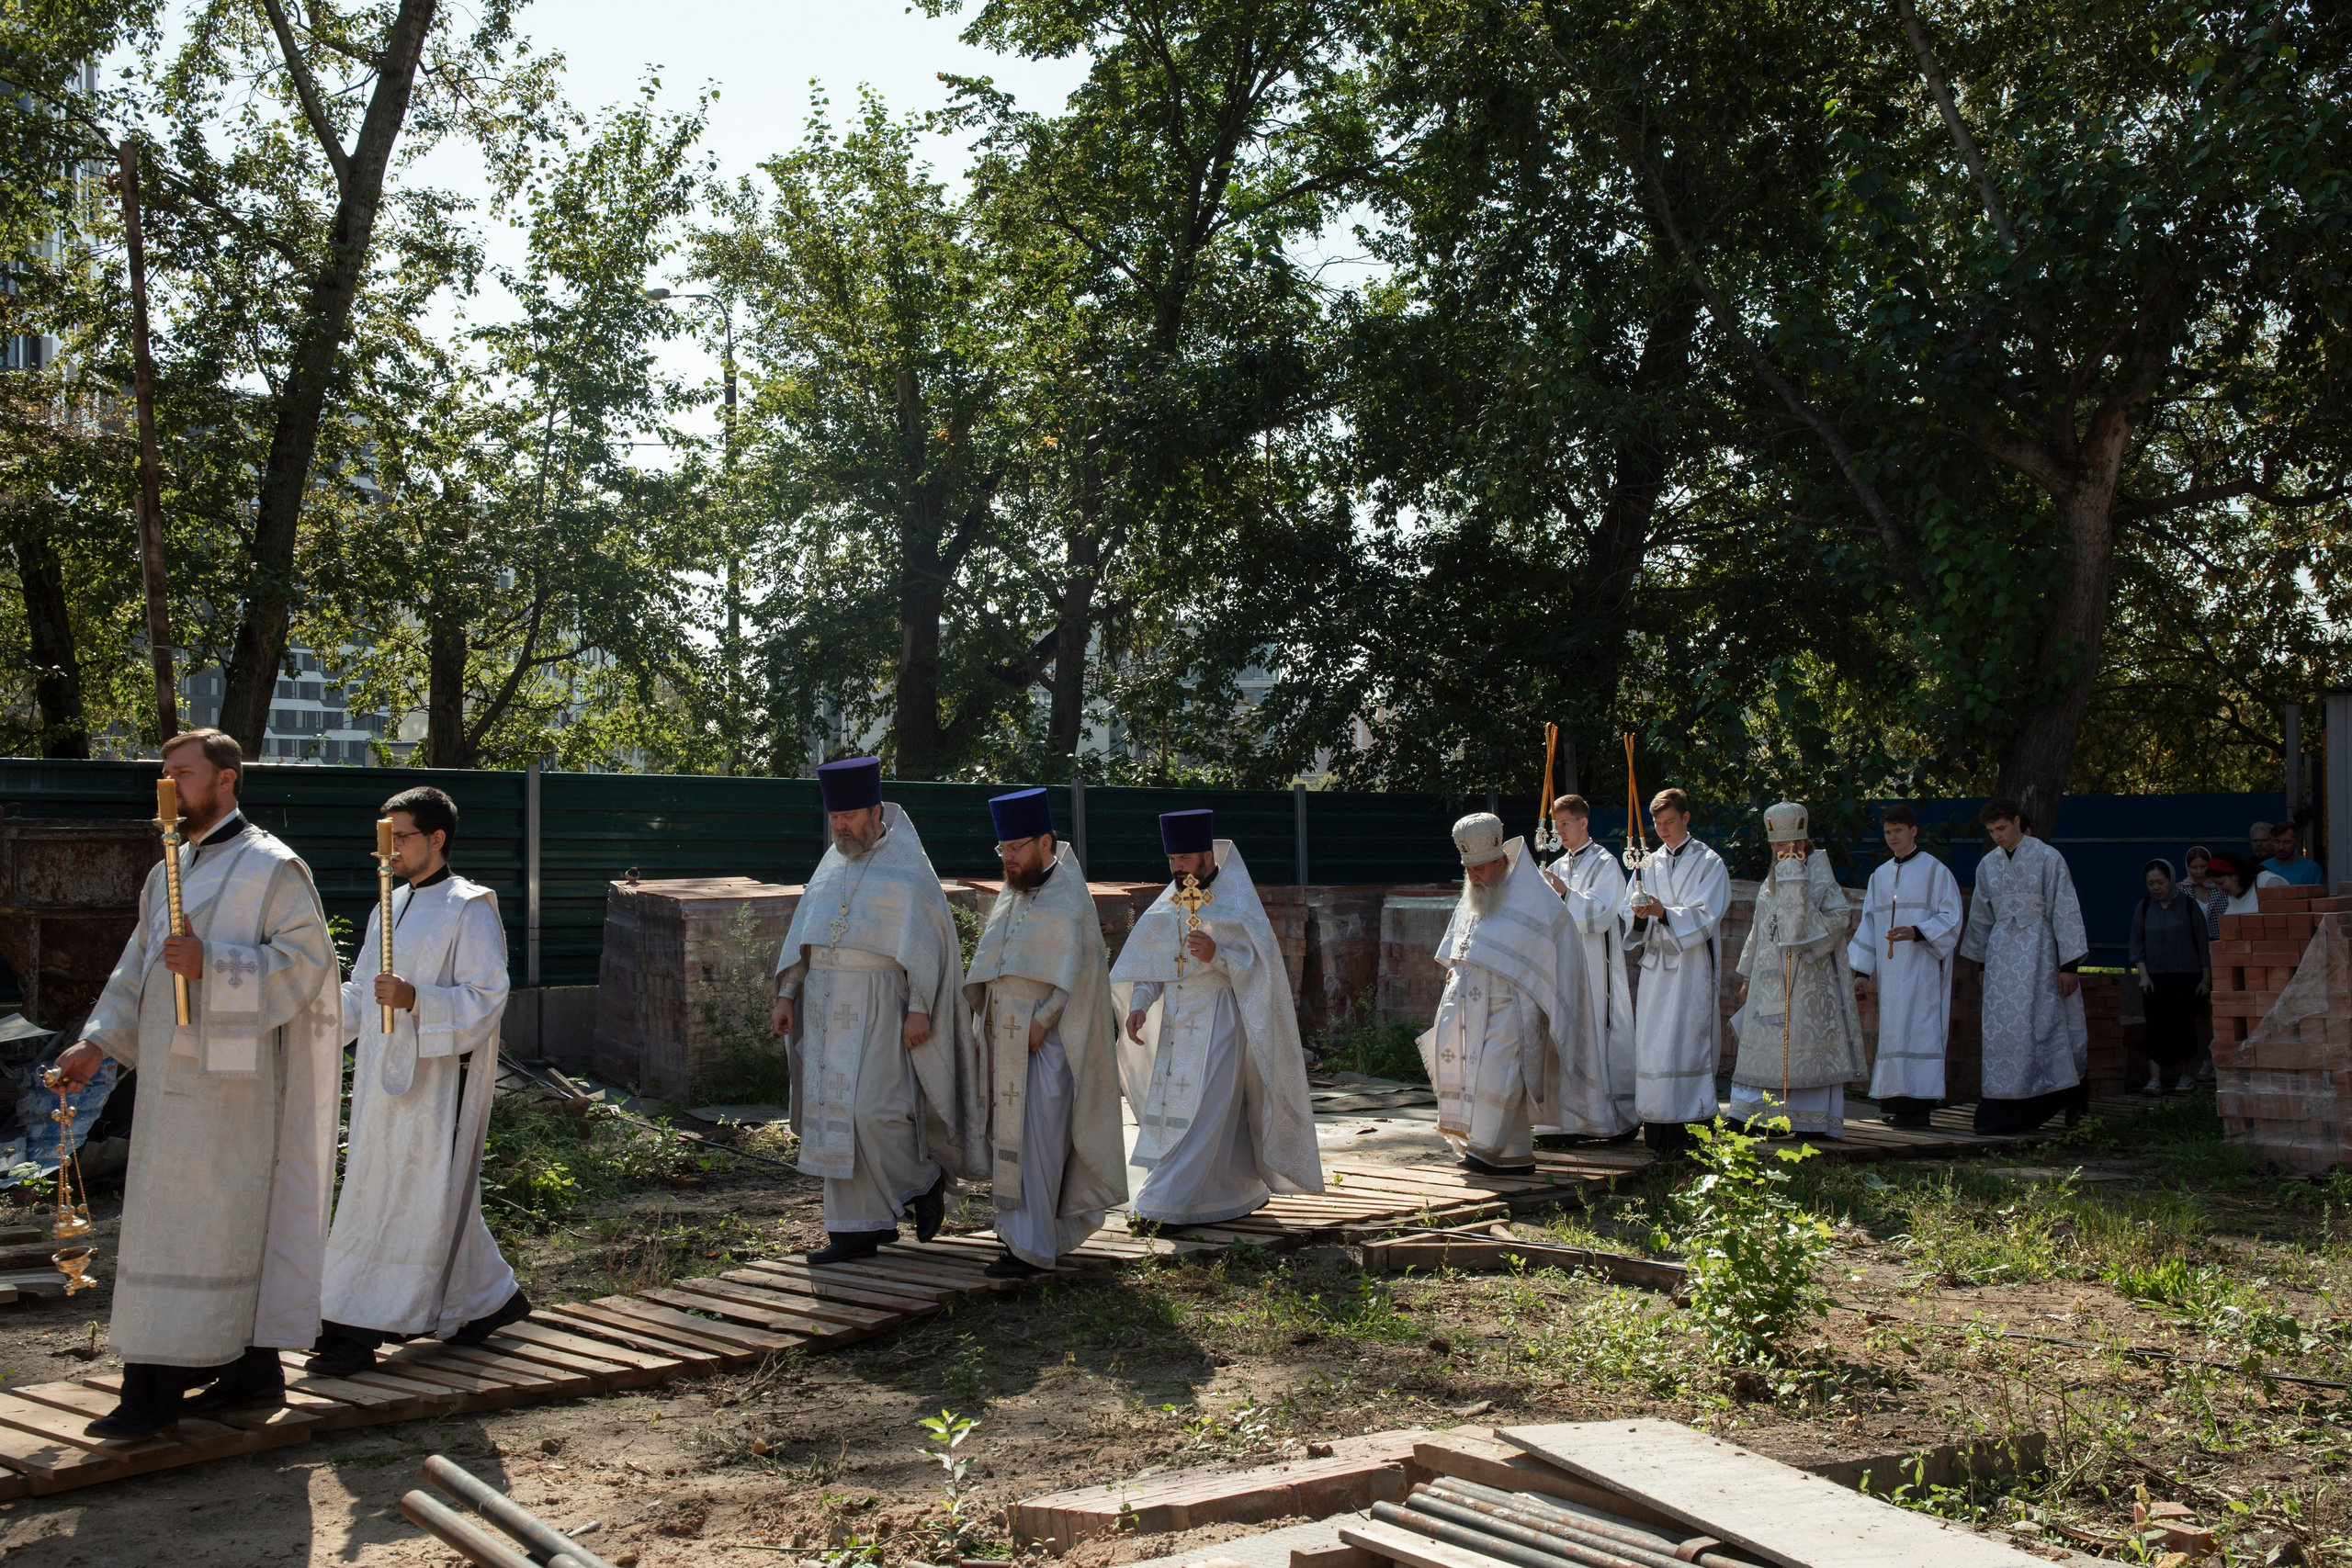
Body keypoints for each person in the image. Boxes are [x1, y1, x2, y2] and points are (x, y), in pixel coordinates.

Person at [54, 730, 342, 1438]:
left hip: (233, 1093)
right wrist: (96, 1044)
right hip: (167, 1089)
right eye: (164, 773)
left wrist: (216, 960)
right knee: (167, 1228)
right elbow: (136, 968)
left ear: (227, 780)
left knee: (208, 1231)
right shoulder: (167, 870)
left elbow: (310, 966)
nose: (168, 784)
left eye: (182, 772)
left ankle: (151, 1393)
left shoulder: (272, 866)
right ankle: (251, 1370)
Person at [308, 787, 529, 1378]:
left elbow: (488, 996)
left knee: (411, 1195)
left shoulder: (468, 905)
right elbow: (360, 991)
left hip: (436, 1085)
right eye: (386, 836)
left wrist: (416, 999)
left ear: (437, 838)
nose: (391, 848)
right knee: (401, 1192)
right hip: (383, 1080)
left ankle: (359, 1327)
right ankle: (491, 1302)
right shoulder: (389, 903)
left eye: (401, 836)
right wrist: (314, 1020)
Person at [772, 758, 982, 1265]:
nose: (839, 825)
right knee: (834, 1117)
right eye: (833, 816)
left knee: (876, 1112)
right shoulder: (831, 864)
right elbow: (806, 938)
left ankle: (924, 1182)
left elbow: (928, 948)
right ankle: (854, 1228)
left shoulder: (908, 865)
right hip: (824, 1007)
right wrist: (787, 993)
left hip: (885, 1006)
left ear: (873, 810)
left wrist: (921, 1008)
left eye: (848, 815)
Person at [1113, 810, 1323, 1226]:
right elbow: (1154, 963)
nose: (1177, 867)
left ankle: (1164, 1201)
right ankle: (1234, 1186)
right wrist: (1139, 1004)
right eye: (1172, 859)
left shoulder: (1236, 900)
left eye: (1185, 858)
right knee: (1179, 1110)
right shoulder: (1170, 902)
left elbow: (1261, 969)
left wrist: (1218, 954)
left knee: (1205, 1108)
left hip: (1220, 1019)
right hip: (1176, 1023)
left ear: (1207, 855)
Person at [961, 788, 1126, 1278]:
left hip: (1050, 1043)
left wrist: (1043, 1021)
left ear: (1045, 843)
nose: (1008, 858)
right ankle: (1019, 1237)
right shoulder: (1014, 894)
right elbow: (997, 962)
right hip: (1005, 1035)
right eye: (1003, 850)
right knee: (1009, 1139)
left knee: (1038, 1141)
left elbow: (1082, 975)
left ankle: (1031, 1248)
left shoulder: (1069, 899)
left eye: (1016, 848)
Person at [1418, 813, 1599, 1173]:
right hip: (1471, 1006)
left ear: (1502, 861)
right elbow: (1460, 946)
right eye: (1469, 870)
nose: (1474, 878)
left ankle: (1482, 1151)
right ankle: (1515, 1154)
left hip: (1515, 1005)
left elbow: (1561, 948)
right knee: (1478, 1074)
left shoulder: (1536, 898)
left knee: (1496, 1073)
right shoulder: (1477, 895)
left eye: (1481, 869)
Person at [1729, 803, 1866, 1137]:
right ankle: (1756, 1115)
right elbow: (1761, 927)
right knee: (1765, 1052)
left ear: (1801, 843)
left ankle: (1808, 1119)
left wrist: (1804, 930)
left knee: (1802, 1053)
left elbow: (1840, 917)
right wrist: (1748, 976)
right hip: (1769, 980)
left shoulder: (1818, 872)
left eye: (1784, 845)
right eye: (1774, 845)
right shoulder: (1773, 876)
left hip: (1806, 979)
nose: (1778, 851)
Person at [1957, 797, 2089, 1134]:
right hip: (2002, 955)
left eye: (2002, 828)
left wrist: (2069, 965)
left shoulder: (2048, 857)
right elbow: (1982, 918)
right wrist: (1983, 963)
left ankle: (2060, 1097)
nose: (1997, 836)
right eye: (1991, 831)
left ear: (2017, 822)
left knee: (2044, 1022)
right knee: (2004, 1029)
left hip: (2040, 951)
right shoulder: (1987, 865)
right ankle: (2005, 1104)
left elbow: (2065, 908)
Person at [1618, 788, 1731, 1155]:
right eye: (1657, 824)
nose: (1663, 830)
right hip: (1656, 968)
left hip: (1691, 968)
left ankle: (1692, 1128)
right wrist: (1639, 917)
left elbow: (1707, 914)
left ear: (1685, 818)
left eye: (1669, 822)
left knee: (1686, 1041)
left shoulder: (1710, 862)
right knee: (1653, 1045)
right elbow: (1628, 910)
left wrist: (1664, 912)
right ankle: (1657, 1127)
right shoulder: (1646, 864)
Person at [1848, 804, 1963, 1130]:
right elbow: (1868, 925)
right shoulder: (1879, 876)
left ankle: (1919, 1109)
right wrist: (1861, 973)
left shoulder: (1935, 871)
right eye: (1887, 832)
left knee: (1920, 1031)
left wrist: (1916, 932)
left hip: (1922, 969)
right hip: (1890, 973)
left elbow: (1951, 918)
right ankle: (1895, 1103)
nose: (1893, 837)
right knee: (1894, 1033)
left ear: (1913, 831)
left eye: (1898, 831)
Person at [1541, 795, 1637, 1140]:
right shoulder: (1558, 866)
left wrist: (1566, 895)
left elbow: (1601, 914)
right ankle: (1567, 1119)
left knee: (1595, 1030)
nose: (1560, 831)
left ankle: (1604, 1118)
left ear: (1584, 822)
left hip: (1596, 965)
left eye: (1565, 823)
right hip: (1563, 965)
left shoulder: (1605, 864)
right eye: (1556, 825)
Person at [2130, 858, 2211, 1095]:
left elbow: (2202, 943)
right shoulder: (2143, 908)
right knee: (2156, 1027)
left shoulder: (2188, 906)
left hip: (2187, 977)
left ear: (2171, 880)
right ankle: (2154, 1080)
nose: (2156, 888)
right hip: (2154, 978)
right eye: (2151, 883)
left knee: (2184, 1027)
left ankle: (2187, 1076)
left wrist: (2205, 979)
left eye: (2160, 882)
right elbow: (2137, 945)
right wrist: (2143, 975)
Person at [2182, 847, 2229, 938]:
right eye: (2194, 867)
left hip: (2221, 943)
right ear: (2187, 867)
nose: (2199, 872)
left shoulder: (2222, 888)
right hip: (2193, 946)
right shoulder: (2180, 891)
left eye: (2203, 866)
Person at [2264, 819, 2325, 886]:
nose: (2281, 847)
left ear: (2297, 842)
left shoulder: (2312, 869)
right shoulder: (2262, 869)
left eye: (2287, 842)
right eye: (2277, 842)